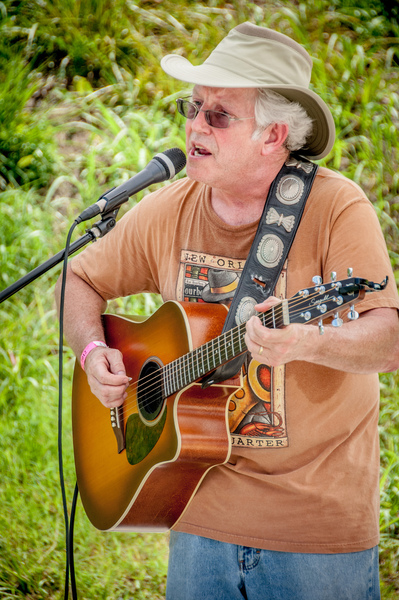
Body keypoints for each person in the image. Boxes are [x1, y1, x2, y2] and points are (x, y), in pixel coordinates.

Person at [55, 22, 399, 600]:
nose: (193, 126)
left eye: (218, 115)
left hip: (313, 528)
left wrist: (309, 343)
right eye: (194, 108)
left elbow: (388, 339)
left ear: (274, 136)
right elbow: (79, 278)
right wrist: (93, 353)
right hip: (192, 510)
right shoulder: (168, 209)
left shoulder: (337, 208)